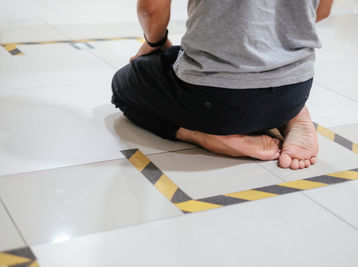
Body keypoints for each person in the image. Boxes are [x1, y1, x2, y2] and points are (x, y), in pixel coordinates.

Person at [111, 0, 334, 170]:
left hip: (217, 101)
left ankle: (200, 135)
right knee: (174, 56)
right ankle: (294, 116)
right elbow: (322, 11)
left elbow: (151, 8)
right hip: (295, 88)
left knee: (123, 86)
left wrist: (155, 42)